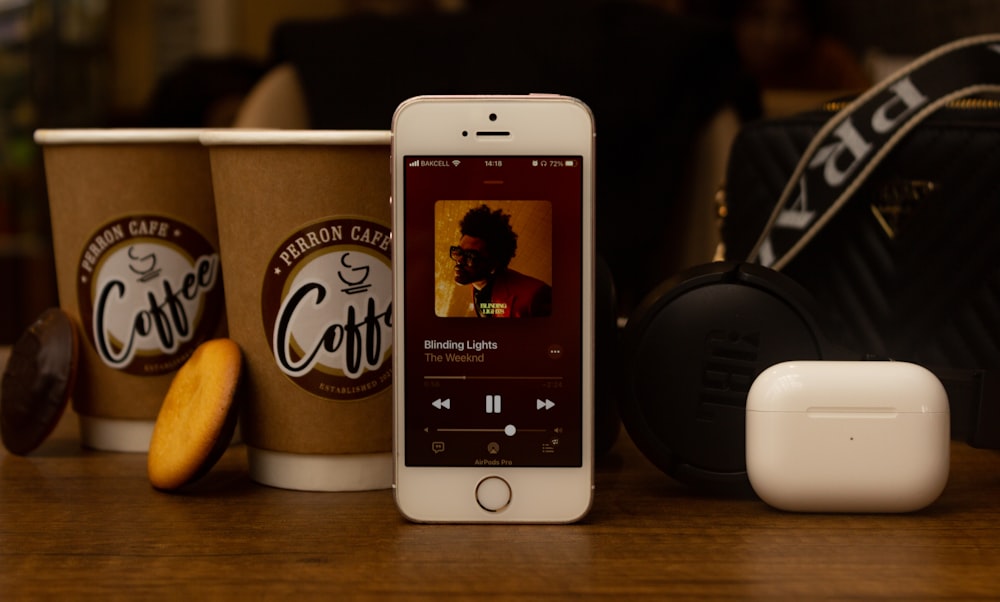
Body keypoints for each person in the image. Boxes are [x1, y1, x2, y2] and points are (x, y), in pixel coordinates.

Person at [450, 205, 551, 318]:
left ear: (493, 265)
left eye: (471, 256)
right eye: (458, 251)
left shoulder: (535, 298)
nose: (459, 260)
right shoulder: (475, 278)